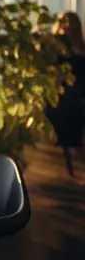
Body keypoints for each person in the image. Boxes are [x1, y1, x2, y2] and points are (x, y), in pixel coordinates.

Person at [45, 11, 85, 170]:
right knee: (69, 103)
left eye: (70, 24)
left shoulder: (80, 47)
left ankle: (74, 147)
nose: (67, 27)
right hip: (62, 93)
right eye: (64, 23)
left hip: (79, 92)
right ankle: (71, 146)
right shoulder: (54, 47)